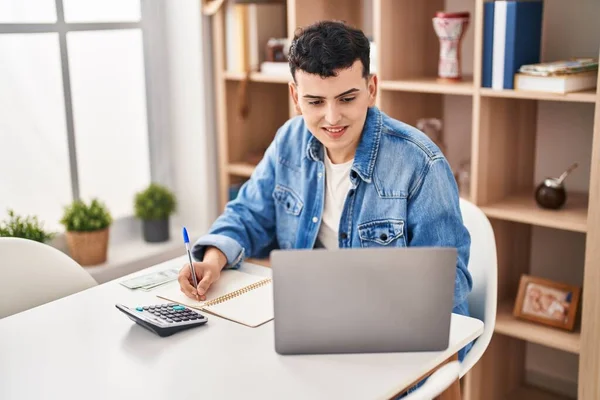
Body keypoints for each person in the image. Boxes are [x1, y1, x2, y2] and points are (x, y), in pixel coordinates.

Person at [178, 20, 473, 361]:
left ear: (371, 88)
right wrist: (213, 261)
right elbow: (247, 215)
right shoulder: (289, 141)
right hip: (314, 327)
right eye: (315, 102)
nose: (332, 118)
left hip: (398, 341)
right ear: (295, 97)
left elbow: (450, 284)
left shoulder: (420, 163)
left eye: (347, 98)